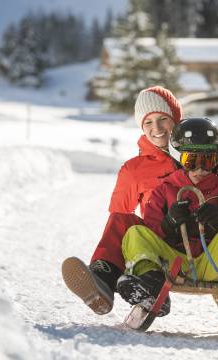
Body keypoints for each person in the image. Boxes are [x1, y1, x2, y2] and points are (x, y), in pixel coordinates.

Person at [116, 118, 218, 327]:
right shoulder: (164, 190)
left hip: (211, 262)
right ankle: (150, 283)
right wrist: (169, 224)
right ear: (178, 158)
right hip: (172, 263)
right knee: (135, 233)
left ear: (216, 161)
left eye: (207, 161)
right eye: (191, 160)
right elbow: (151, 228)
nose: (199, 168)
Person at [62, 86, 182, 315]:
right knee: (120, 220)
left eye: (163, 119)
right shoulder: (134, 169)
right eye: (148, 122)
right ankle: (102, 281)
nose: (156, 128)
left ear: (176, 119)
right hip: (158, 243)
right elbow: (119, 216)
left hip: (202, 241)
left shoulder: (202, 151)